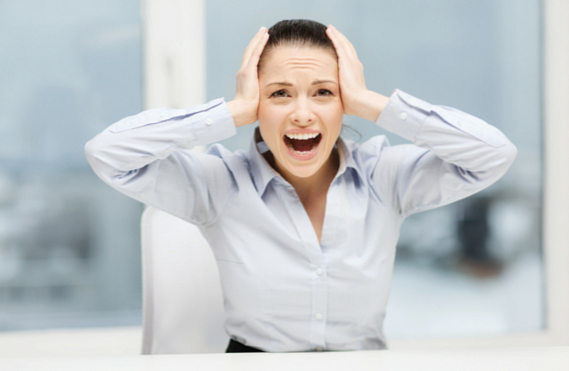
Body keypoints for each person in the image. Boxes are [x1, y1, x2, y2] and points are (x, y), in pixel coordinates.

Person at [84, 19, 517, 353]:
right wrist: (232, 111)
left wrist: (373, 103)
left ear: (344, 101)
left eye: (324, 93)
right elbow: (108, 154)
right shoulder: (219, 183)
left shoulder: (383, 175)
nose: (303, 114)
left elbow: (493, 155)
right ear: (257, 103)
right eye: (280, 94)